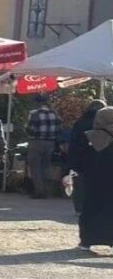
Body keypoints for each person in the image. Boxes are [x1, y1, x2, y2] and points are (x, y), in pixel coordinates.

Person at [70, 100, 107, 247]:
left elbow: (75, 147)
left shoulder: (84, 126)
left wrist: (73, 166)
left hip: (90, 172)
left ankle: (87, 240)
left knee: (89, 203)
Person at [81, 107, 113, 251]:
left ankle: (87, 240)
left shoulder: (89, 136)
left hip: (93, 180)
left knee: (90, 208)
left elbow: (81, 157)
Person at [25, 95, 62, 199]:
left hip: (36, 141)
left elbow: (30, 129)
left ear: (37, 103)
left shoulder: (34, 114)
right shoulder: (54, 114)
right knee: (46, 166)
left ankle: (39, 191)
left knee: (35, 167)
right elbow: (59, 129)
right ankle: (46, 190)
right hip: (50, 142)